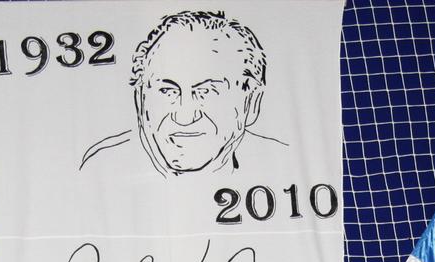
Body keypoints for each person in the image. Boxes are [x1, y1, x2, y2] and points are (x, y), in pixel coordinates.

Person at [79, 10, 287, 176]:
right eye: (167, 91)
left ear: (251, 101)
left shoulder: (283, 163)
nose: (185, 117)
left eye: (206, 91)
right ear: (140, 100)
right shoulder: (101, 168)